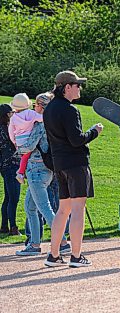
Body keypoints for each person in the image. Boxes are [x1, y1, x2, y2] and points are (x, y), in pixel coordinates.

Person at [43, 70, 103, 267]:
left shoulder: (49, 109)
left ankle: (53, 255)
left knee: (63, 210)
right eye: (77, 85)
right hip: (76, 164)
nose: (80, 88)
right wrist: (95, 132)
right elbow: (77, 140)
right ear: (67, 87)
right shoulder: (70, 110)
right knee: (78, 209)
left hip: (59, 164)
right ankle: (76, 256)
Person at [15, 92, 71, 256]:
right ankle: (35, 244)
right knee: (30, 207)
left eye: (36, 105)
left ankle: (62, 242)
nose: (34, 108)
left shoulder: (40, 125)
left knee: (44, 209)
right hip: (46, 169)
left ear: (41, 106)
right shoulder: (54, 124)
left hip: (36, 170)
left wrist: (17, 146)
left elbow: (29, 146)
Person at [7, 93, 43, 184]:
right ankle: (20, 173)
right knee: (26, 156)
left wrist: (14, 141)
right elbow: (42, 119)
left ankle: (22, 171)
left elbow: (10, 131)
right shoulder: (31, 113)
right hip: (29, 138)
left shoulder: (13, 118)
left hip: (19, 140)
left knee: (24, 156)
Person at [0, 104, 21, 236]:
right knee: (14, 197)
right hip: (12, 165)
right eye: (11, 112)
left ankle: (4, 226)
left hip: (4, 166)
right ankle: (13, 227)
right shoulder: (7, 129)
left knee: (8, 197)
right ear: (7, 114)